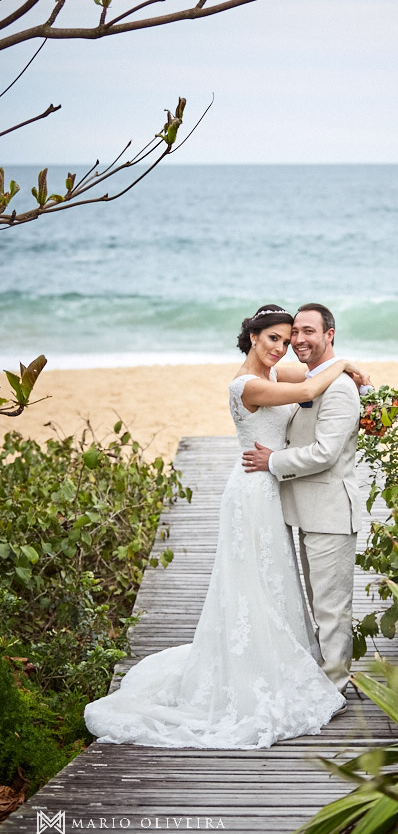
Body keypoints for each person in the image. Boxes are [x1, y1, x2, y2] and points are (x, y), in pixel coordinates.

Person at [84, 304, 368, 748]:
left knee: (275, 581)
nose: (285, 345)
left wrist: (344, 370)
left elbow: (316, 380)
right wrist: (346, 363)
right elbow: (314, 382)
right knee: (253, 578)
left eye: (289, 336)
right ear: (253, 338)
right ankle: (258, 667)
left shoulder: (277, 375)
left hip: (277, 491)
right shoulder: (249, 385)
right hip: (256, 489)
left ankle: (289, 662)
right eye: (275, 338)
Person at [242, 303, 362, 697]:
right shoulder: (315, 378)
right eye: (294, 332)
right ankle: (324, 677)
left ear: (330, 334)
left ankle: (334, 688)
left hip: (329, 512)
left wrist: (273, 461)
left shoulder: (340, 389)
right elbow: (304, 386)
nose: (298, 340)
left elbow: (325, 453)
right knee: (316, 601)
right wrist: (345, 364)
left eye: (308, 331)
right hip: (305, 511)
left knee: (330, 608)